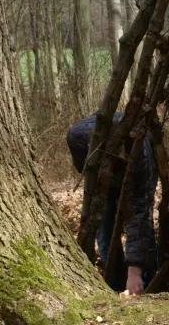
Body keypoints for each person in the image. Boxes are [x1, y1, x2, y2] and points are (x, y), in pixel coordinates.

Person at [67, 112, 158, 294]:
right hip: (100, 178)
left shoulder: (140, 152)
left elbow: (139, 212)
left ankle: (145, 279)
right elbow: (84, 171)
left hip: (138, 166)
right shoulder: (77, 138)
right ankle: (115, 280)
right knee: (103, 219)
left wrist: (134, 270)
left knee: (139, 217)